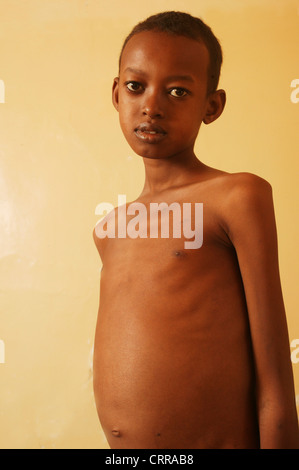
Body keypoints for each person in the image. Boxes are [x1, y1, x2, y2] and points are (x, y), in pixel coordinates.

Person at [92, 11, 299, 449]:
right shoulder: (110, 229)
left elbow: (275, 381)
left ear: (212, 105)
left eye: (178, 91)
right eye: (136, 86)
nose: (152, 105)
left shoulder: (236, 197)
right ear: (116, 93)